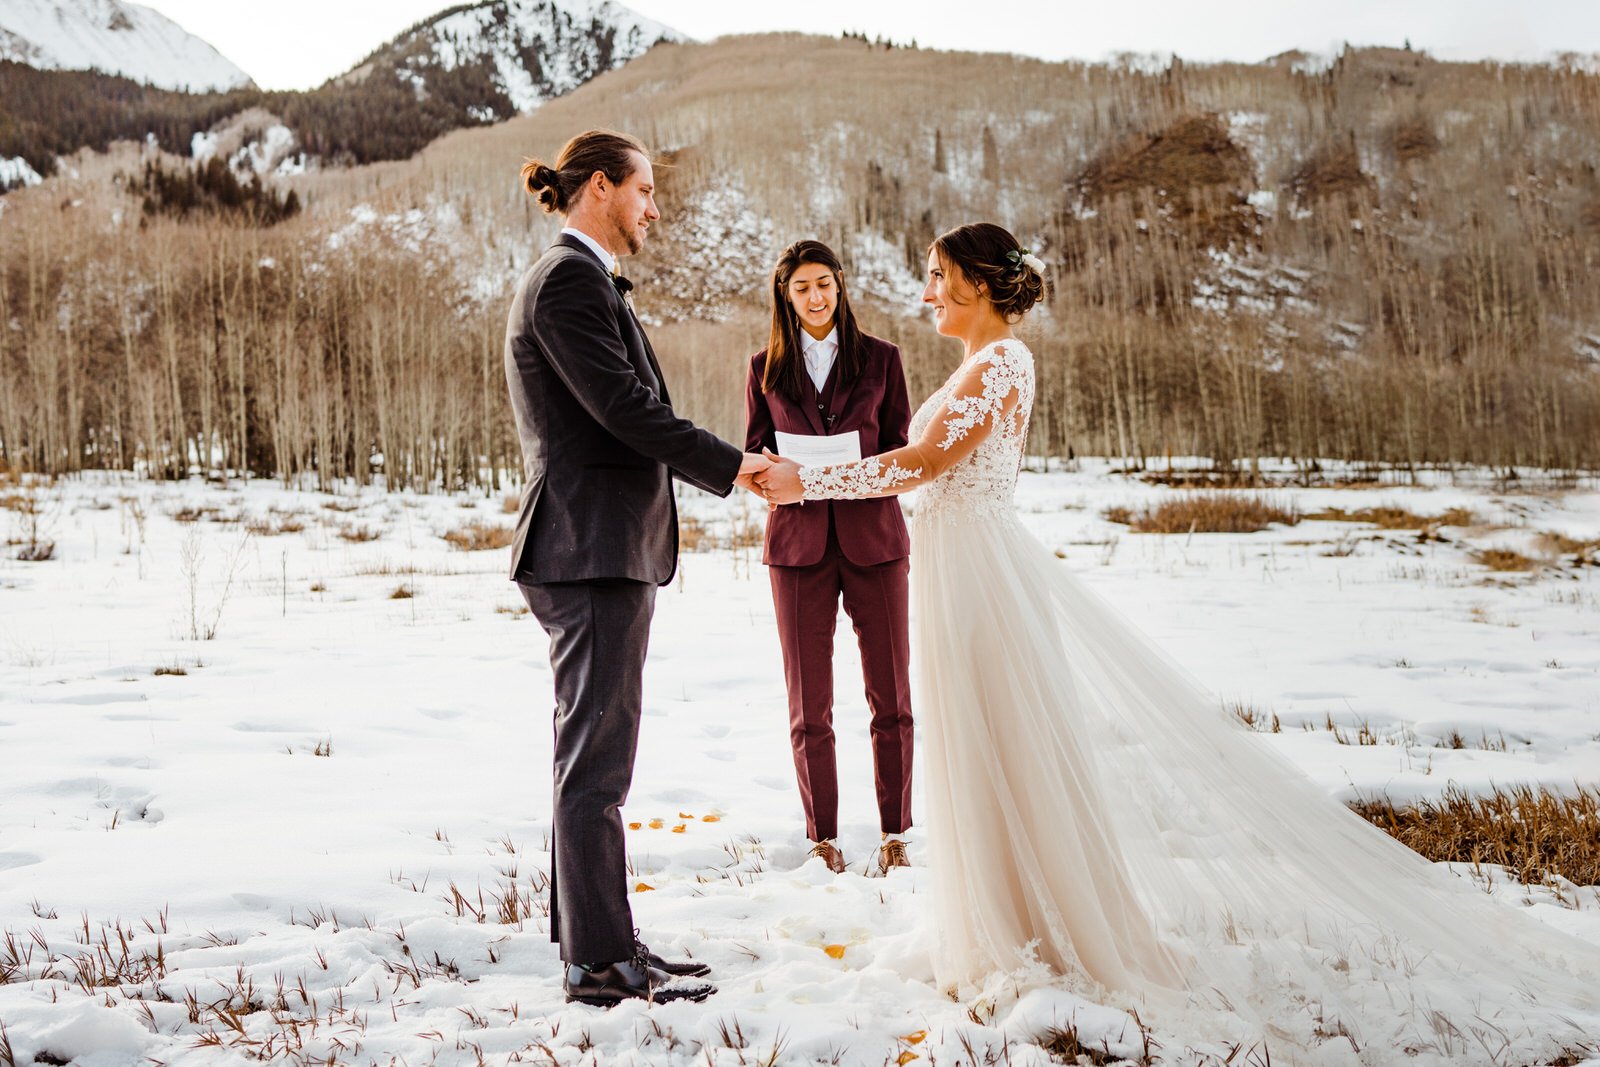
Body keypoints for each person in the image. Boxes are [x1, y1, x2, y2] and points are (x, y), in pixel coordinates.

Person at [757, 222, 1600, 1062]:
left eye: (937, 276)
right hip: (959, 576)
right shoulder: (980, 363)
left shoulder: (1003, 362)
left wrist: (811, 479)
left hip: (982, 584)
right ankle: (994, 921)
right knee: (982, 748)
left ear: (978, 283)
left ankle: (1038, 928)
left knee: (1002, 741)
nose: (927, 292)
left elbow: (925, 462)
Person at [504, 128, 769, 1007]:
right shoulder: (568, 280)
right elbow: (622, 409)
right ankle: (598, 965)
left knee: (593, 754)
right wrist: (740, 466)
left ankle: (600, 943)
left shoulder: (579, 279)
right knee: (596, 762)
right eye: (646, 190)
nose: (655, 208)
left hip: (599, 546)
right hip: (589, 549)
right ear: (601, 189)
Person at [745, 240, 916, 877]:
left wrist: (844, 473)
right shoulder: (763, 367)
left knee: (891, 698)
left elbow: (904, 454)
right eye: (801, 289)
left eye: (824, 284)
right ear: (785, 298)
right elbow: (753, 457)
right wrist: (764, 476)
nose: (815, 298)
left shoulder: (884, 359)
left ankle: (896, 832)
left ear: (840, 285)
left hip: (875, 543)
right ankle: (823, 839)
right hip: (797, 551)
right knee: (808, 704)